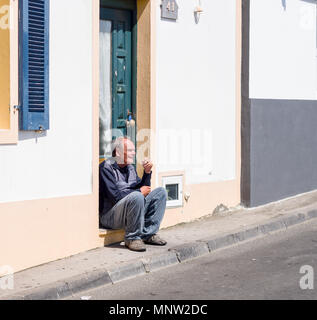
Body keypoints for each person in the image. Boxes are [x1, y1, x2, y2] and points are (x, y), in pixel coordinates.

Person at [99, 136, 167, 252]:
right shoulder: (106, 168)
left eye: (134, 150)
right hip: (110, 216)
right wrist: (139, 192)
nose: (134, 153)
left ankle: (147, 234)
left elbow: (144, 188)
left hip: (128, 212)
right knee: (137, 195)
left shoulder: (130, 168)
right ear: (118, 152)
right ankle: (132, 238)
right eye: (130, 150)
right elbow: (114, 197)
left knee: (161, 192)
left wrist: (147, 172)